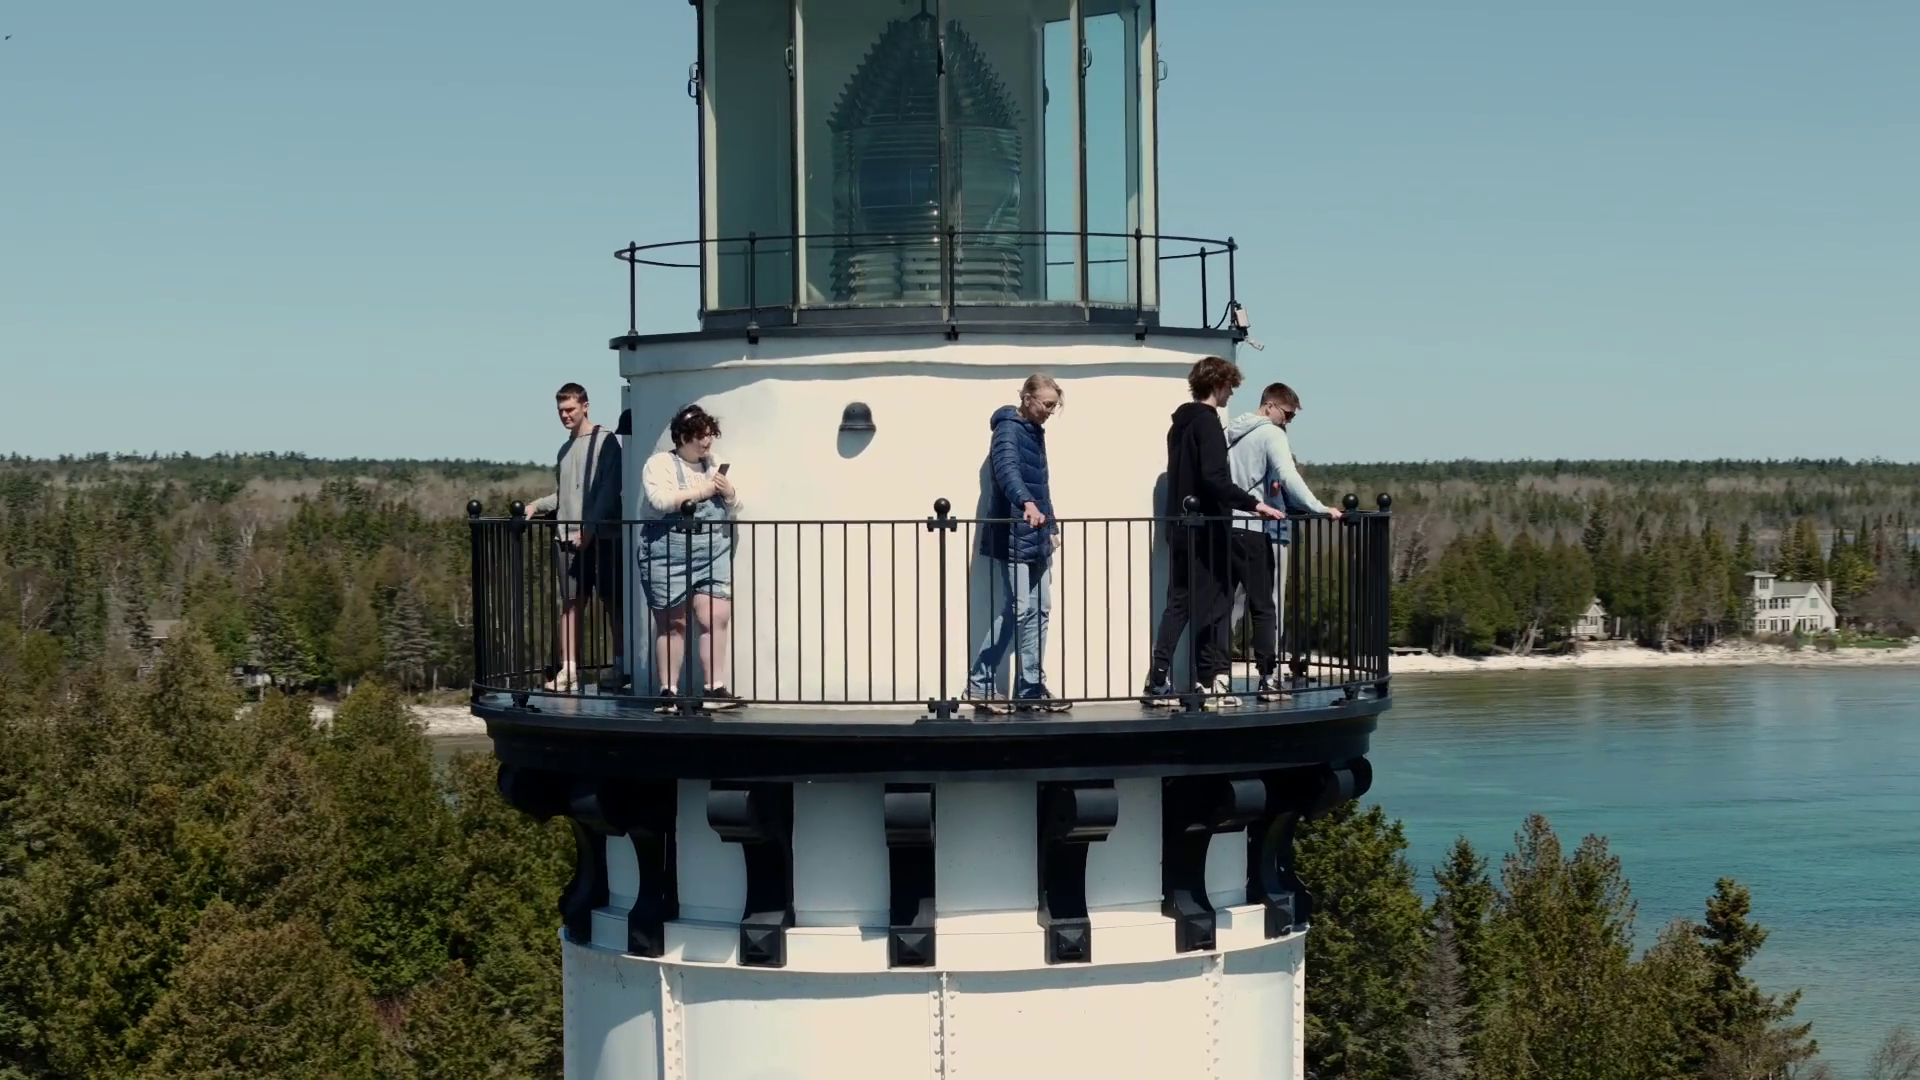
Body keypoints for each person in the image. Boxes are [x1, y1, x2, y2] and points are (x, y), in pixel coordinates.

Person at [1142, 357, 1284, 710]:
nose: (1231, 393)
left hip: (1179, 528)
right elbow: (1215, 480)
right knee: (1213, 608)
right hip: (1205, 531)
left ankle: (1158, 681)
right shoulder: (1207, 424)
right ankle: (1208, 685)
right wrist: (1255, 505)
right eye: (1230, 387)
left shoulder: (1178, 425)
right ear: (1218, 384)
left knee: (1178, 607)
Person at [1226, 382, 1340, 702]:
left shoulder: (1231, 433)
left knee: (1229, 606)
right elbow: (1288, 478)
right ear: (1272, 406)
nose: (1287, 422)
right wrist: (1320, 508)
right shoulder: (1270, 434)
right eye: (1287, 415)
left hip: (1227, 528)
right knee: (1268, 607)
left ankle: (1217, 678)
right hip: (1264, 530)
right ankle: (1269, 677)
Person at [965, 374, 1069, 715]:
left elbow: (1044, 485)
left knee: (1040, 610)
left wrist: (1049, 523)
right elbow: (1007, 471)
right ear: (1027, 398)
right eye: (1047, 404)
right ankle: (979, 684)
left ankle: (1030, 688)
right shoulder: (1008, 429)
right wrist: (1026, 503)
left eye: (1055, 405)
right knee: (1018, 607)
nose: (1051, 411)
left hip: (1035, 534)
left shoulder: (1036, 433)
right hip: (1013, 532)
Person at [638, 404, 742, 711]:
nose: (707, 442)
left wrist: (730, 492)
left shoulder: (715, 464)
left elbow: (736, 507)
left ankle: (715, 690)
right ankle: (668, 693)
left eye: (709, 435)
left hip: (712, 551)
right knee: (673, 623)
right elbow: (660, 501)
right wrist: (705, 490)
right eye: (699, 436)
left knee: (716, 617)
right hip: (667, 552)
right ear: (682, 437)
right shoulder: (659, 464)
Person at [527, 382, 624, 693]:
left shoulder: (606, 443)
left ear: (585, 405)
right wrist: (534, 506)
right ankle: (568, 670)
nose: (565, 416)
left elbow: (609, 492)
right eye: (560, 411)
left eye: (570, 409)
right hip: (566, 538)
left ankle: (621, 666)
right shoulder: (564, 449)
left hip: (603, 537)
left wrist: (591, 528)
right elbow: (564, 495)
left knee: (613, 601)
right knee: (570, 603)